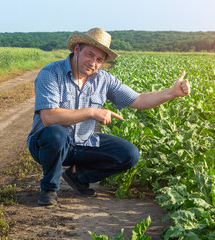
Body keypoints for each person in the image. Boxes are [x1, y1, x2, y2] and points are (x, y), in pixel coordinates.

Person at [27, 27, 191, 206]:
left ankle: (78, 176)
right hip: (47, 144)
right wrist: (91, 112)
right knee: (56, 134)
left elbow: (139, 100)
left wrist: (172, 93)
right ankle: (49, 188)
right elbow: (49, 117)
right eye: (89, 55)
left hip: (83, 143)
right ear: (77, 50)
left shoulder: (104, 80)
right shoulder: (51, 73)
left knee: (129, 154)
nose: (93, 63)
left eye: (99, 60)